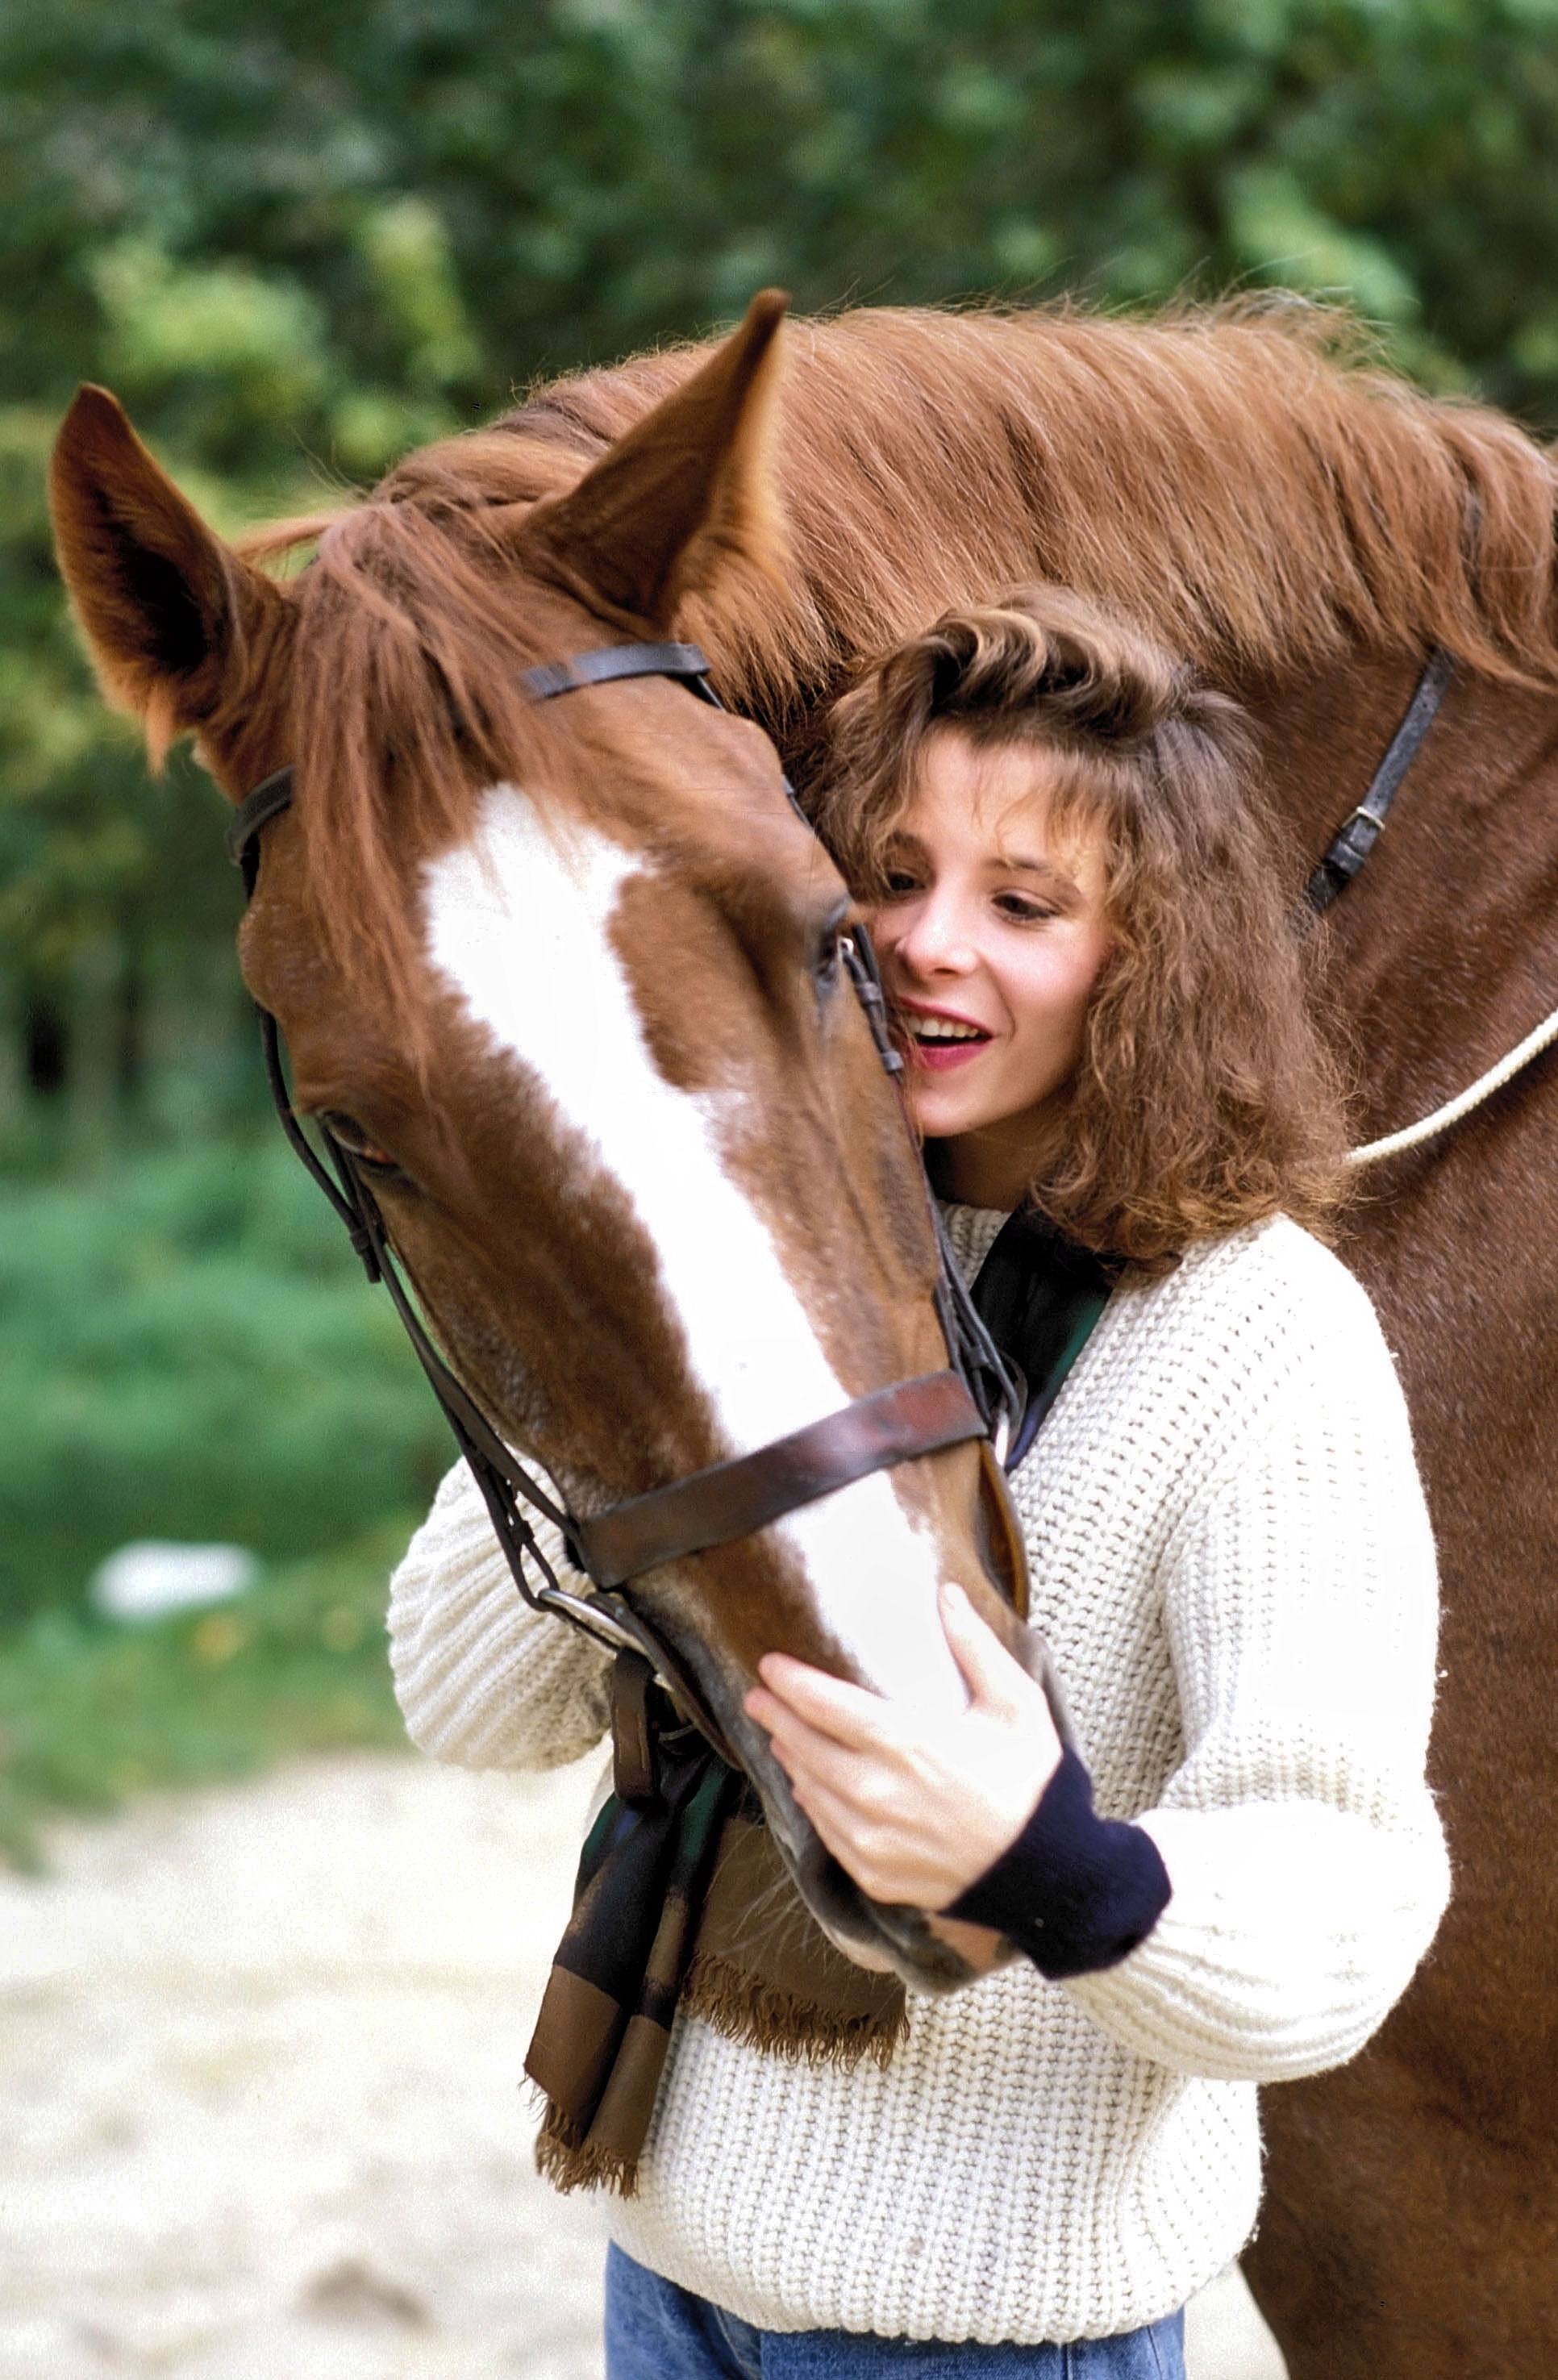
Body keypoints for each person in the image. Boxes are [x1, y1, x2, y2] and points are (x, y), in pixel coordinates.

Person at [386, 589, 1449, 2378]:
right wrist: (610, 1328)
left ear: (1152, 955)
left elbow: (1347, 1912)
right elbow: (463, 1710)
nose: (927, 942)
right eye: (887, 874)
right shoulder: (747, 1248)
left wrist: (1054, 1868)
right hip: (668, 2285)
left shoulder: (1266, 1337)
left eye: (1023, 904)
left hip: (994, 2343)